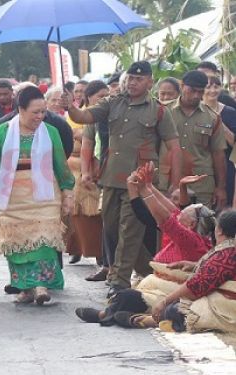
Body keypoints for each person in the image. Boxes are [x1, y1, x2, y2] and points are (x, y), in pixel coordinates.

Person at [64, 60, 182, 297]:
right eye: (130, 78)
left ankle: (119, 282)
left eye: (139, 79)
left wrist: (175, 184)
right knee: (112, 231)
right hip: (110, 179)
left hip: (139, 182)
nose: (132, 82)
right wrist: (70, 107)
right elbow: (85, 116)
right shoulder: (112, 102)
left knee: (129, 230)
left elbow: (174, 148)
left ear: (150, 82)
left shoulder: (158, 110)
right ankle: (153, 272)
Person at [0, 86, 74, 305]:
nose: (40, 116)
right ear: (20, 110)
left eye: (43, 112)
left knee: (43, 241)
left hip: (45, 196)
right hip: (12, 198)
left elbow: (61, 165)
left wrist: (68, 194)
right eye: (35, 112)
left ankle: (41, 286)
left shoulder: (50, 132)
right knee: (18, 243)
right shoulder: (1, 132)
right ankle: (25, 288)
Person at [75, 207, 235, 335]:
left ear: (219, 230)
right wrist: (193, 265)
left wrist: (146, 190)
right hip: (176, 290)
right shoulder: (219, 249)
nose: (178, 217)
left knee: (173, 309)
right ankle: (116, 316)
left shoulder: (200, 244)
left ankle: (143, 320)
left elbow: (196, 286)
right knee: (133, 297)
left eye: (182, 216)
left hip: (214, 303)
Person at [159, 71, 227, 209]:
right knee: (167, 226)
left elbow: (218, 154)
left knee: (200, 227)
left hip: (201, 185)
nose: (196, 96)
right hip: (169, 183)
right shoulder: (163, 111)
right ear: (182, 86)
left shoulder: (212, 118)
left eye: (200, 92)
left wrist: (221, 188)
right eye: (192, 90)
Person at [65, 81, 108, 267]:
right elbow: (81, 143)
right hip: (77, 167)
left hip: (103, 168)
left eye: (107, 95)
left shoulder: (109, 115)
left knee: (99, 214)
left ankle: (100, 253)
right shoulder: (75, 116)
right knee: (78, 212)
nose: (105, 99)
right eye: (100, 96)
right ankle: (76, 249)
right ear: (88, 98)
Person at [203, 75, 236, 207]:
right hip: (203, 165)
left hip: (226, 165)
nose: (212, 90)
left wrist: (217, 120)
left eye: (216, 86)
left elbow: (233, 143)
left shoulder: (230, 112)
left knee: (223, 205)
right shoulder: (195, 111)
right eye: (208, 87)